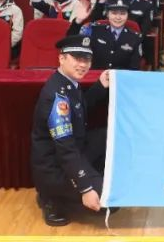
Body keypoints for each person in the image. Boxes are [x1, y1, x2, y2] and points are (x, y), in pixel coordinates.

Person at [30, 35, 112, 227]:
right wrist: (86, 188)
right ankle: (52, 198)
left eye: (87, 59)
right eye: (77, 58)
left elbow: (78, 108)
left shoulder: (67, 82)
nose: (83, 65)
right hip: (56, 166)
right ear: (62, 58)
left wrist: (100, 85)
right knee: (110, 201)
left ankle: (87, 183)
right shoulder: (56, 96)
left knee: (108, 136)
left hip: (73, 150)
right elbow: (65, 148)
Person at [80, 0, 143, 70]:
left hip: (120, 76)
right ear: (107, 14)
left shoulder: (135, 37)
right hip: (97, 75)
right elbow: (82, 54)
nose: (118, 17)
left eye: (122, 14)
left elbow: (134, 67)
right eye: (114, 13)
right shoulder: (95, 31)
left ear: (127, 15)